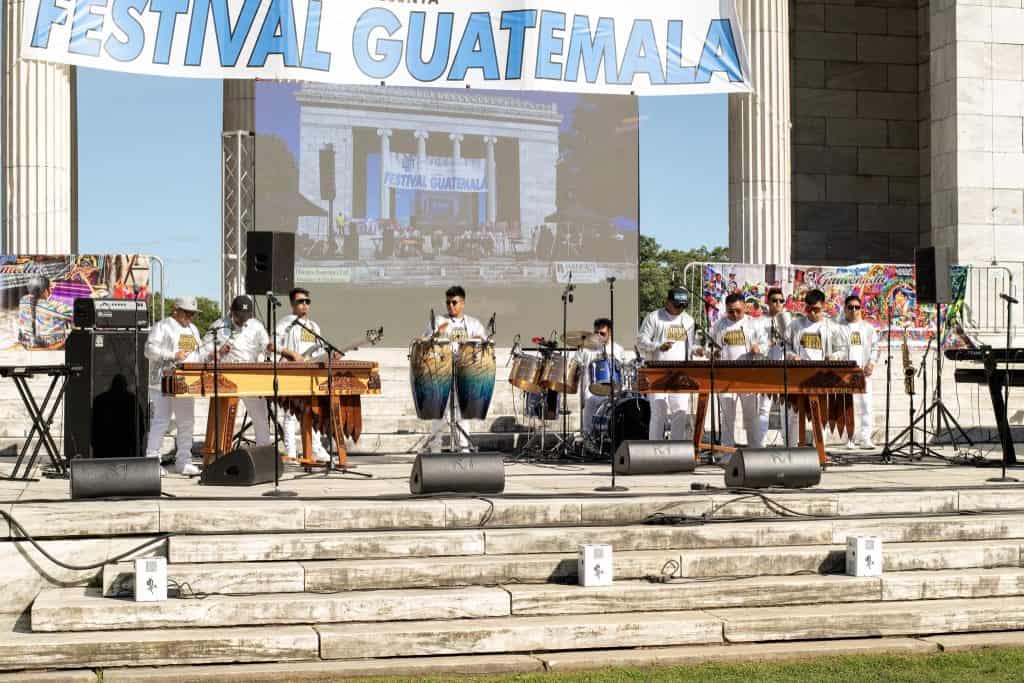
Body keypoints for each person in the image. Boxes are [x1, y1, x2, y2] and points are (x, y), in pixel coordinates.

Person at [196, 295, 273, 448]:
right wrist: (218, 350)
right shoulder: (218, 326)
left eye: (246, 317)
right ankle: (220, 451)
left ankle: (263, 450)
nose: (243, 320)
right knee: (223, 418)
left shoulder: (256, 326)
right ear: (232, 312)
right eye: (239, 316)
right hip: (226, 376)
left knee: (260, 415)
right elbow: (203, 350)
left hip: (249, 374)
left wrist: (269, 348)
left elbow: (266, 346)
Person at [144, 296, 203, 476]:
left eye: (193, 314)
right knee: (160, 421)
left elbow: (198, 353)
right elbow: (149, 349)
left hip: (185, 383)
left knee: (186, 422)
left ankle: (183, 461)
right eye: (187, 313)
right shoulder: (162, 326)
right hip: (162, 382)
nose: (190, 317)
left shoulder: (193, 330)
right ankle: (152, 461)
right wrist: (172, 355)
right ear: (175, 310)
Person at [424, 286, 487, 451]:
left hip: (464, 371)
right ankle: (435, 449)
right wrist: (437, 334)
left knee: (462, 411)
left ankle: (463, 448)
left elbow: (483, 343)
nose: (450, 306)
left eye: (454, 302)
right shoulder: (438, 321)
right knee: (440, 409)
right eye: (448, 303)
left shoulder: (473, 323)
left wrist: (477, 339)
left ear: (462, 303)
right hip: (442, 371)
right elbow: (426, 342)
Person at [784, 289, 849, 444]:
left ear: (824, 307)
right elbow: (784, 345)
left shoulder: (832, 327)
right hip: (798, 374)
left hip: (821, 375)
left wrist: (834, 357)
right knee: (793, 413)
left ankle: (819, 450)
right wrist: (792, 356)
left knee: (819, 414)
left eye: (817, 310)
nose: (813, 313)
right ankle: (791, 449)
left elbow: (843, 349)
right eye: (809, 309)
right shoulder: (795, 325)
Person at [275, 288, 330, 462]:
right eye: (300, 301)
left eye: (307, 301)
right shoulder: (286, 323)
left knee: (311, 412)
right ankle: (291, 451)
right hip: (292, 372)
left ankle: (316, 449)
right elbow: (273, 344)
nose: (304, 305)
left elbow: (319, 350)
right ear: (292, 304)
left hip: (311, 374)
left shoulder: (314, 326)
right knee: (291, 413)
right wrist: (289, 355)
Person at [637, 287, 696, 441]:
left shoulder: (688, 320)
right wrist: (658, 346)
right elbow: (641, 341)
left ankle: (676, 449)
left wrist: (698, 352)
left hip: (680, 372)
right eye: (677, 305)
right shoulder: (654, 317)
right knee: (658, 411)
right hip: (657, 370)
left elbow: (690, 347)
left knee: (680, 412)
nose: (680, 309)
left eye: (683, 305)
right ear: (667, 302)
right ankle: (654, 449)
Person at [709, 292, 766, 448]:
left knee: (751, 415)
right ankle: (727, 450)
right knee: (727, 416)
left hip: (748, 375)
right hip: (725, 375)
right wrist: (711, 352)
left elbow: (766, 344)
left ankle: (755, 449)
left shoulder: (754, 324)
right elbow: (709, 346)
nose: (734, 314)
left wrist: (758, 348)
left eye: (738, 311)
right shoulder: (719, 325)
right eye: (730, 311)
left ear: (744, 308)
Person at [839, 294, 879, 449]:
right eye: (850, 307)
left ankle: (865, 438)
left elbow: (875, 347)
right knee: (847, 406)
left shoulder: (868, 328)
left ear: (861, 309)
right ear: (845, 309)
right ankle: (849, 438)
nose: (854, 310)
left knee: (866, 405)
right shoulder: (839, 327)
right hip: (845, 372)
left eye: (857, 307)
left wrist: (872, 363)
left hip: (863, 372)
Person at [577, 318, 626, 437]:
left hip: (614, 388)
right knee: (591, 400)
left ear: (610, 333)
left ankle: (616, 436)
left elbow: (623, 371)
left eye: (602, 333)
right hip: (593, 388)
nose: (598, 336)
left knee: (623, 403)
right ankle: (587, 436)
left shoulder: (618, 349)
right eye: (596, 333)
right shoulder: (587, 348)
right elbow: (575, 364)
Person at [756, 288, 788, 441]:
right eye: (774, 300)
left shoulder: (787, 320)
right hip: (766, 368)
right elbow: (757, 345)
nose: (778, 303)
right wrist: (769, 342)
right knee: (764, 408)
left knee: (786, 409)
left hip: (784, 368)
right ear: (768, 302)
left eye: (781, 301)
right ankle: (760, 444)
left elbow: (792, 341)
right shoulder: (759, 322)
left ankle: (789, 442)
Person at [17, 275, 71, 349]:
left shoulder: (23, 300)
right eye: (50, 288)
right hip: (51, 346)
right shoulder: (55, 306)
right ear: (45, 290)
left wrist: (45, 285)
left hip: (27, 343)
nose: (51, 289)